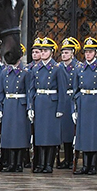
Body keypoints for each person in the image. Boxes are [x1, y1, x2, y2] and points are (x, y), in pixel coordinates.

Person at [27, 38, 70, 173]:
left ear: (51, 52)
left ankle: (48, 164)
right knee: (40, 136)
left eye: (45, 51)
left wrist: (60, 108)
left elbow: (62, 90)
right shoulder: (36, 68)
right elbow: (31, 89)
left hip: (52, 104)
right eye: (42, 51)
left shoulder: (57, 69)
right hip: (40, 102)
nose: (43, 53)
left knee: (50, 136)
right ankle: (40, 164)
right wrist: (30, 107)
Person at [71, 38, 97, 175]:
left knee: (94, 136)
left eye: (91, 52)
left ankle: (93, 165)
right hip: (84, 103)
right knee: (84, 136)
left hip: (96, 103)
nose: (88, 55)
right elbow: (75, 89)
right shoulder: (80, 69)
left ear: (96, 53)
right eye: (86, 52)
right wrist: (75, 107)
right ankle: (85, 165)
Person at [0, 46, 29, 172]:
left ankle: (18, 163)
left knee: (19, 136)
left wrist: (29, 108)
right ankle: (10, 163)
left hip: (20, 105)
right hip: (8, 104)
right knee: (8, 135)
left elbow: (28, 91)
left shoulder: (25, 72)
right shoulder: (4, 73)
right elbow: (0, 92)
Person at [56, 38, 82, 169]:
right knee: (63, 131)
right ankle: (64, 158)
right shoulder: (59, 67)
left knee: (71, 130)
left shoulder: (78, 67)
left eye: (67, 52)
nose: (64, 55)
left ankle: (71, 158)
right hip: (62, 98)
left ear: (73, 53)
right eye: (63, 53)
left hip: (72, 99)